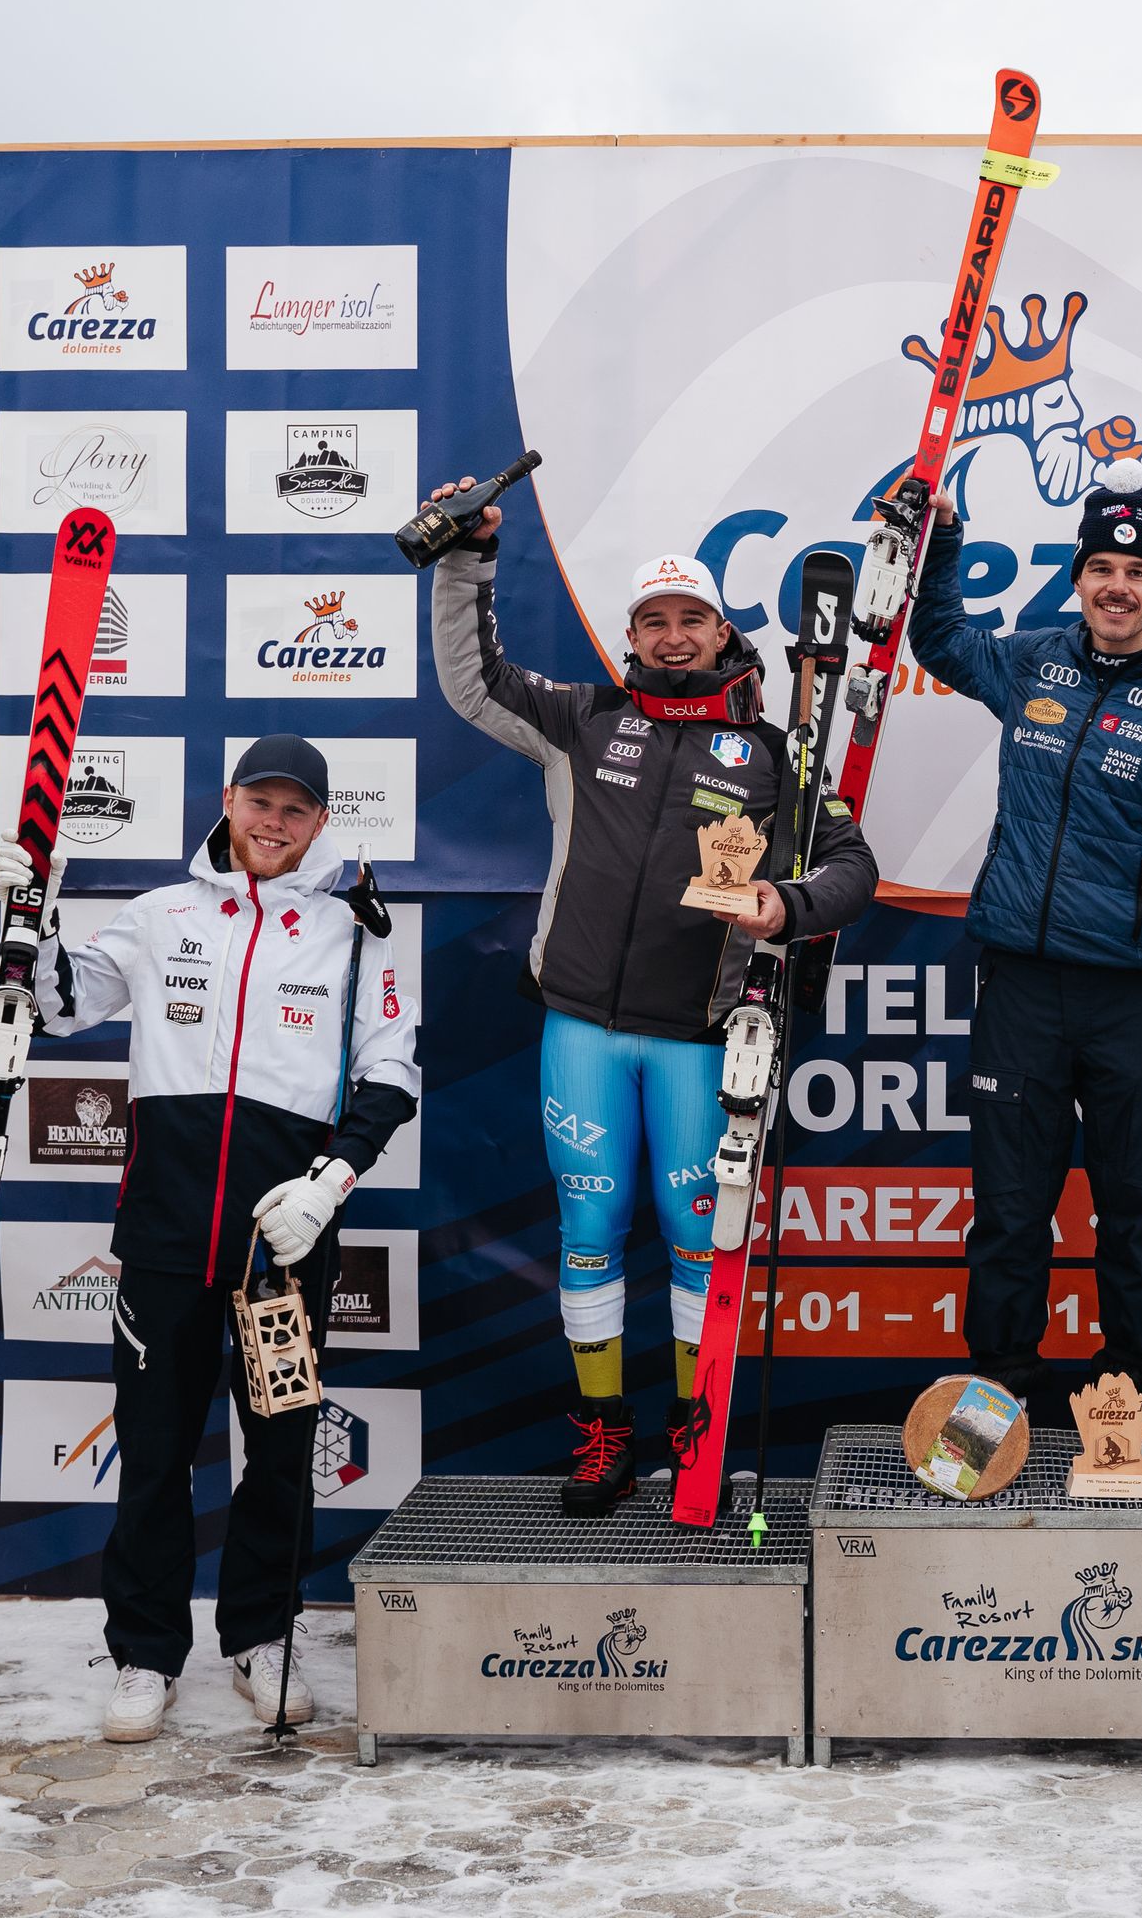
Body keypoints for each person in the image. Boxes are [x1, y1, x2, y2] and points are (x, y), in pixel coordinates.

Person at [427, 478, 878, 1515]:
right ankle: (602, 1437)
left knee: (692, 1234)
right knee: (588, 1233)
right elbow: (470, 681)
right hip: (582, 1027)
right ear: (630, 634)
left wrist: (786, 902)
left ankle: (694, 1435)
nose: (672, 638)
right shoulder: (584, 721)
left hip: (697, 1038)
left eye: (691, 619)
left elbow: (854, 866)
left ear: (722, 630)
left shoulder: (775, 756)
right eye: (653, 621)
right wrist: (467, 561)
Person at [0, 735, 420, 1743]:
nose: (275, 824)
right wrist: (28, 912)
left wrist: (329, 1182)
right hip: (164, 1232)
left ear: (323, 822)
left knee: (279, 1452)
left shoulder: (358, 933)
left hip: (287, 1241)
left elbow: (392, 1074)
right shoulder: (160, 915)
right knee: (153, 1453)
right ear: (228, 801)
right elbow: (57, 1005)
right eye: (261, 802)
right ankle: (145, 1654)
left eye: (297, 810)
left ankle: (263, 1638)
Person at [905, 464, 1142, 1405]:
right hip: (1021, 986)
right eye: (1101, 566)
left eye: (1136, 571)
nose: (1117, 585)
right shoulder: (1037, 659)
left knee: (1134, 1214)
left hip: (1129, 995)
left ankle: (1133, 1403)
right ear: (1078, 576)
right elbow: (940, 640)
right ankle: (996, 1403)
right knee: (1011, 1214)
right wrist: (944, 539)